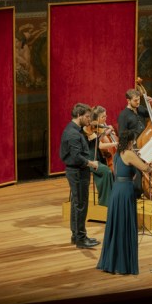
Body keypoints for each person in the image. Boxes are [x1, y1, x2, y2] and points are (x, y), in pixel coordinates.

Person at [96, 131, 151, 275]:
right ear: (131, 141)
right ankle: (123, 264)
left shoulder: (117, 154)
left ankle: (111, 262)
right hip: (126, 191)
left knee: (116, 226)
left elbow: (120, 172)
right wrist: (149, 164)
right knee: (125, 225)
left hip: (116, 191)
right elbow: (145, 169)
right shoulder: (129, 153)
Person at [60, 103, 101, 249]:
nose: (89, 119)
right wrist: (91, 163)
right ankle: (81, 238)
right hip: (78, 171)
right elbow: (76, 157)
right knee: (81, 205)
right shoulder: (73, 134)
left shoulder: (75, 130)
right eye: (87, 117)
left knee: (77, 204)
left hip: (78, 171)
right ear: (79, 115)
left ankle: (76, 236)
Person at [117, 88, 152, 196]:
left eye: (139, 100)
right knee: (138, 169)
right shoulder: (123, 115)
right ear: (128, 100)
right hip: (134, 145)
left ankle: (148, 190)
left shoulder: (140, 109)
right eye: (135, 100)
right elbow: (122, 135)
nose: (138, 102)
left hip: (145, 143)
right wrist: (131, 143)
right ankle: (137, 193)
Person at [85, 105, 117, 206]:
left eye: (105, 116)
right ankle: (105, 201)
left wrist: (106, 132)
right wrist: (114, 144)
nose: (105, 118)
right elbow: (99, 145)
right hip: (91, 159)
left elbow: (97, 139)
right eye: (103, 116)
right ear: (97, 118)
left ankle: (112, 197)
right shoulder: (89, 128)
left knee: (110, 171)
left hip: (99, 157)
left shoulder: (98, 128)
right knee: (107, 171)